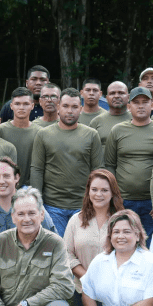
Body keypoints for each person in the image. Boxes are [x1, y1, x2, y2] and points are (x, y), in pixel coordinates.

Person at [63, 169, 124, 306]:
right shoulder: (76, 220)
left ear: (113, 193)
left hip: (114, 289)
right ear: (88, 191)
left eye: (104, 190)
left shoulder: (122, 221)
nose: (99, 194)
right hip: (84, 287)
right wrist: (87, 276)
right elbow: (66, 254)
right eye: (94, 189)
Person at [30, 89, 104, 234]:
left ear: (80, 109)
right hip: (52, 206)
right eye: (65, 106)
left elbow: (98, 171)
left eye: (74, 107)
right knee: (57, 246)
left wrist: (96, 202)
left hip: (83, 206)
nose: (70, 111)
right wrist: (37, 203)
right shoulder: (43, 134)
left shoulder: (91, 135)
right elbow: (37, 169)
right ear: (58, 107)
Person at [105, 87, 153, 239]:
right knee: (124, 241)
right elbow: (109, 165)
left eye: (145, 102)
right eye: (136, 102)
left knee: (151, 245)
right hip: (123, 200)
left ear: (152, 105)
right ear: (129, 106)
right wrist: (115, 197)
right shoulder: (117, 131)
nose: (141, 106)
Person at [0, 156, 57, 236]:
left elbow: (53, 238)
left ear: (16, 178)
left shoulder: (33, 204)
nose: (1, 181)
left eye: (6, 176)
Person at [0, 87, 40, 183]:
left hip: (30, 186)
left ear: (32, 106)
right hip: (5, 184)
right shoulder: (0, 130)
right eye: (17, 104)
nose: (21, 107)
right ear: (11, 106)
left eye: (26, 104)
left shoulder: (40, 132)